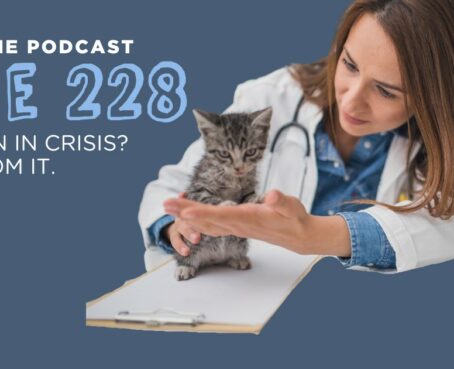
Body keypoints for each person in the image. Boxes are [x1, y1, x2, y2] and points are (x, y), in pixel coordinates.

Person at [138, 0, 454, 274]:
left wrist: (316, 235)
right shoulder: (270, 99)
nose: (351, 100)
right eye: (349, 64)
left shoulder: (438, 139)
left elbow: (445, 225)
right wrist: (174, 226)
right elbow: (170, 187)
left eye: (385, 91)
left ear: (433, 97)